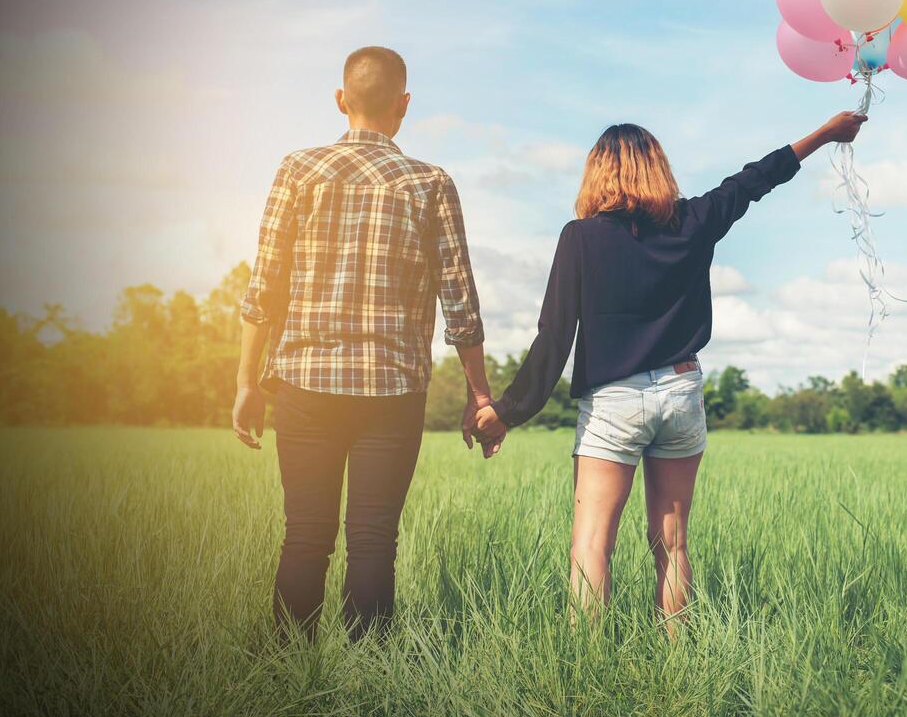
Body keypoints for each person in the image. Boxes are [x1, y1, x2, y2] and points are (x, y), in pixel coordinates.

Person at [468, 111, 867, 628]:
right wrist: (827, 133)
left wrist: (506, 411)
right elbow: (755, 178)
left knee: (591, 544)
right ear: (658, 169)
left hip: (613, 403)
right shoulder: (693, 222)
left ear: (596, 174)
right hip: (681, 391)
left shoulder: (580, 238)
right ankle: (678, 656)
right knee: (672, 544)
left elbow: (554, 337)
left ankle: (585, 672)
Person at [231, 46, 496, 641]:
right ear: (404, 105)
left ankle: (285, 672)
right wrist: (479, 394)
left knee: (305, 534)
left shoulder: (298, 169)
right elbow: (461, 301)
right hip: (393, 388)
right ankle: (371, 678)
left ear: (340, 99)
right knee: (374, 539)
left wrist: (247, 383)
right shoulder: (431, 182)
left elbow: (263, 287)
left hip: (303, 383)